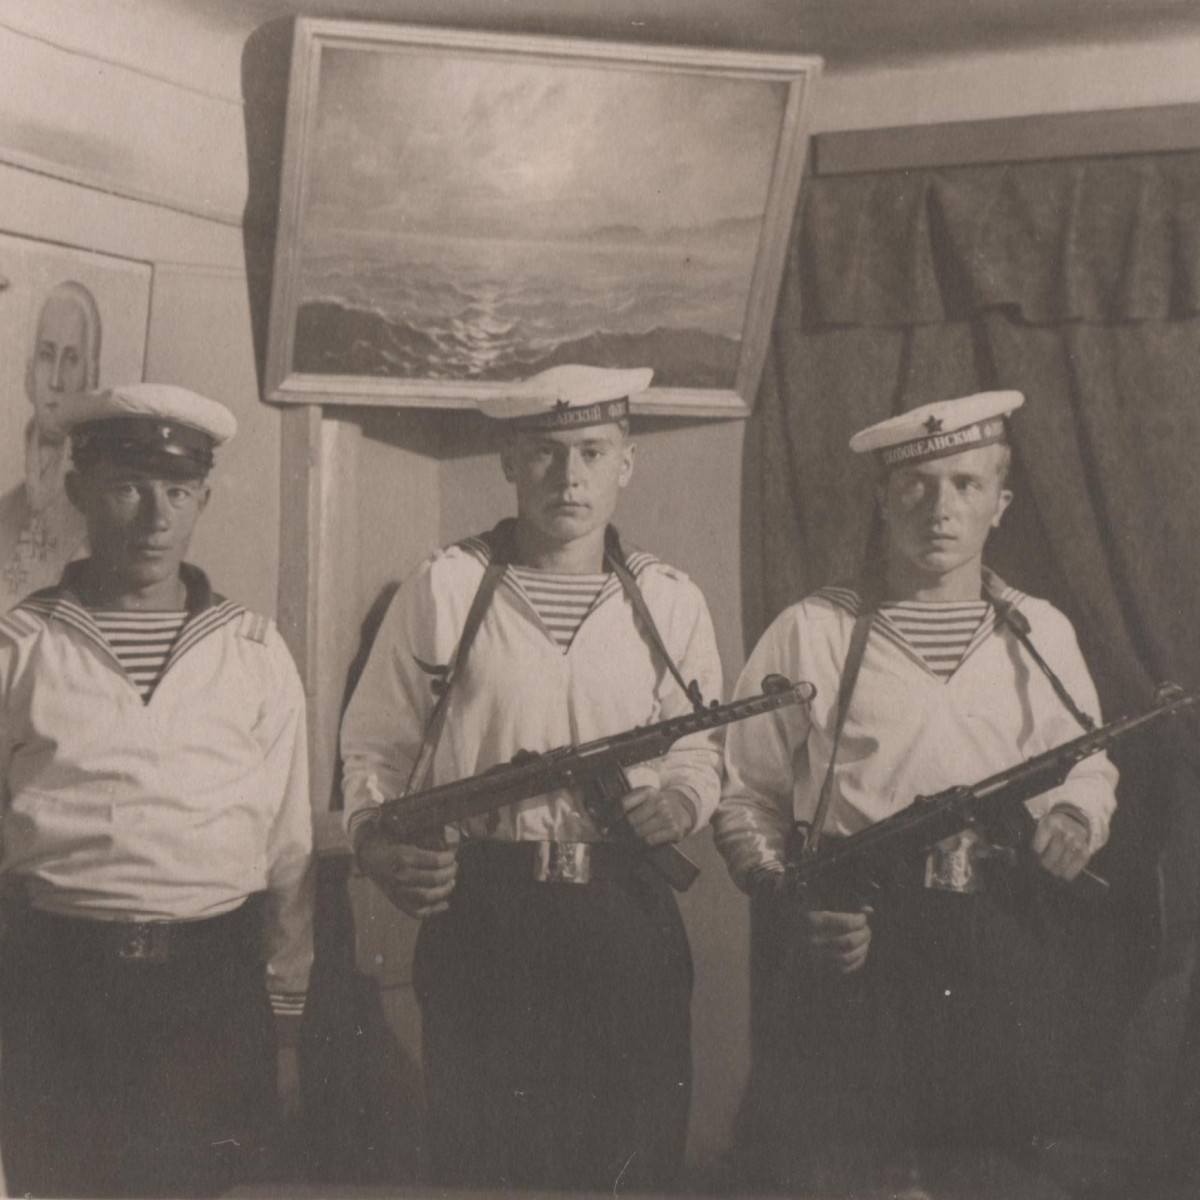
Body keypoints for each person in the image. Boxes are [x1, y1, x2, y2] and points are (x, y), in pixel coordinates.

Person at [714, 391, 1118, 1198]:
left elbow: (1090, 765)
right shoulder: (814, 631)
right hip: (856, 946)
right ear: (880, 499)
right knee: (840, 1171)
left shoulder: (1040, 632)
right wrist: (791, 896)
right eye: (919, 485)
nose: (942, 509)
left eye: (967, 485)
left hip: (1000, 941)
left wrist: (1077, 816)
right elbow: (743, 793)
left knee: (994, 1171)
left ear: (1000, 504)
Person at [340, 364, 723, 1192]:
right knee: (487, 1167)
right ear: (509, 462)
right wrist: (374, 845)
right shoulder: (444, 587)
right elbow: (373, 750)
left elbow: (701, 745)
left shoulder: (668, 600)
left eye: (591, 450)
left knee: (632, 1160)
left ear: (626, 462)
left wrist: (684, 799)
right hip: (489, 918)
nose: (569, 476)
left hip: (627, 914)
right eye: (545, 453)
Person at [0, 383, 314, 1198]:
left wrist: (284, 1022)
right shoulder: (19, 645)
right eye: (127, 487)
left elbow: (289, 853)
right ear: (78, 493)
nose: (154, 516)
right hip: (57, 988)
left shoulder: (252, 649)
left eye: (177, 492)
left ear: (204, 498)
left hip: (211, 993)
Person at [0, 280, 100, 605]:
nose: (55, 380)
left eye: (71, 359)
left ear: (92, 379)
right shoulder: (5, 509)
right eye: (46, 356)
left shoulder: (99, 519)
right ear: (30, 374)